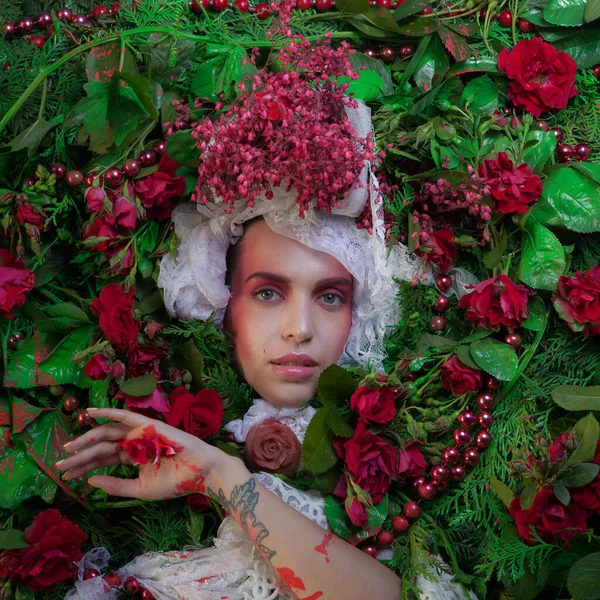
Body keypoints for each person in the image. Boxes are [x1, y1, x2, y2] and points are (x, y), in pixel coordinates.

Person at [57, 101, 420, 600]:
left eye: (330, 296)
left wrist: (219, 474)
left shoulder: (402, 479)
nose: (299, 330)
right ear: (224, 306)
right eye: (268, 293)